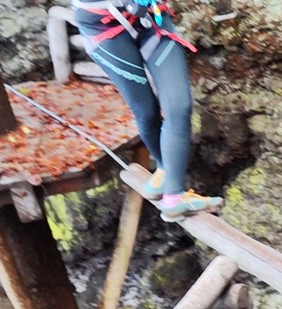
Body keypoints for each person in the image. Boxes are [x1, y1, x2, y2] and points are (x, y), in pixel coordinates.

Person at [71, 0, 223, 220]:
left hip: (152, 17)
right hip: (104, 29)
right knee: (146, 112)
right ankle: (164, 171)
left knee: (179, 106)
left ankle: (173, 194)